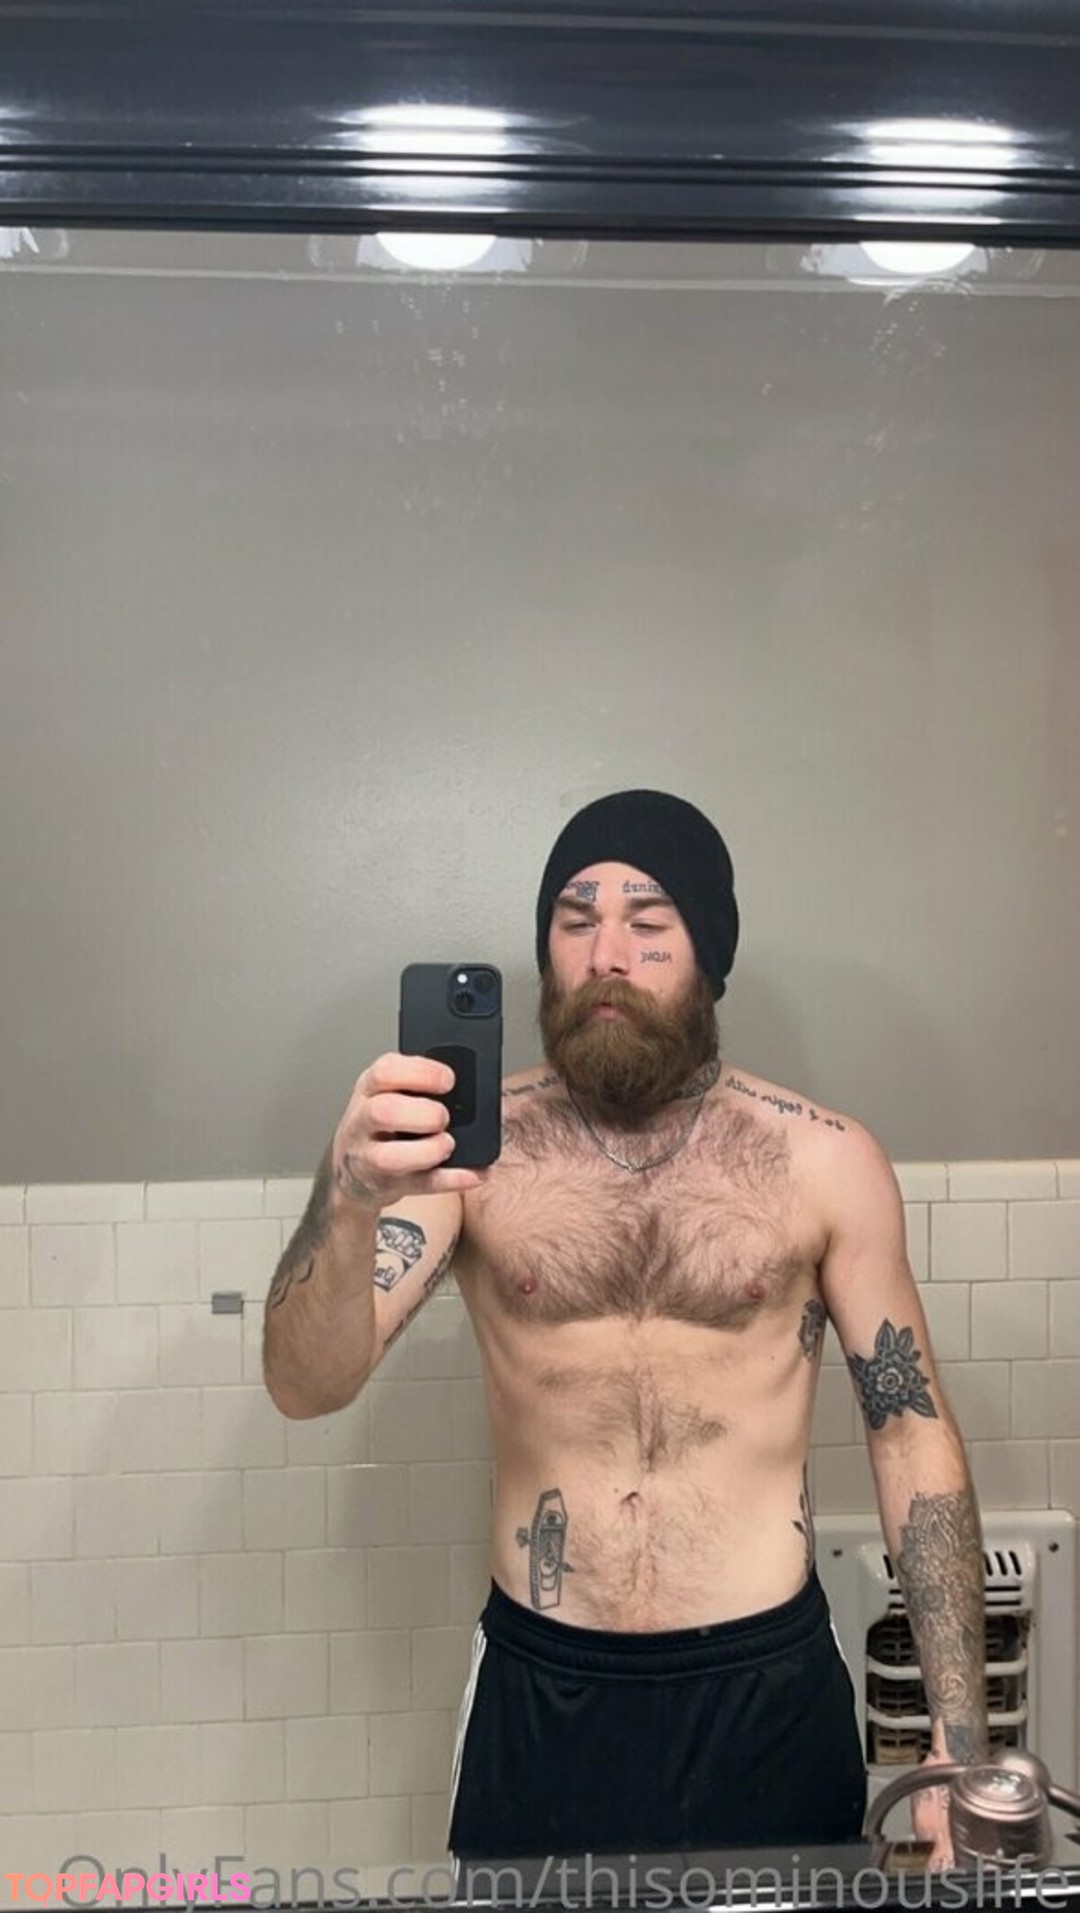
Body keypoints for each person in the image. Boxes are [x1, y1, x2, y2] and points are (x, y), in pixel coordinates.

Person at [262, 789, 987, 1866]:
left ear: (709, 957)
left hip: (767, 1691)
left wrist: (960, 1739)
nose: (606, 954)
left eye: (649, 923)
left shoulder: (824, 1161)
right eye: (575, 920)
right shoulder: (468, 1162)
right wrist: (349, 1193)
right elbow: (306, 1383)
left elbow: (910, 1434)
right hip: (544, 1689)